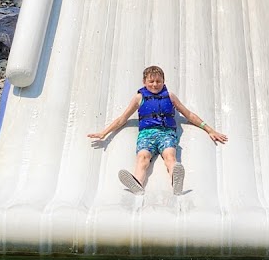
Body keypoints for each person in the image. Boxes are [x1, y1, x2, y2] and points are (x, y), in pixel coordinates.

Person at [88, 65, 228, 196]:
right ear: (144, 82)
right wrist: (104, 133)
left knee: (170, 156)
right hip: (146, 135)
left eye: (158, 81)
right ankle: (137, 183)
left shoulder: (170, 96)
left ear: (163, 81)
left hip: (166, 133)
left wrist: (210, 130)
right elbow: (122, 118)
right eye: (151, 81)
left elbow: (189, 114)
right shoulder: (139, 97)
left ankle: (175, 180)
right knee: (142, 158)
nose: (155, 84)